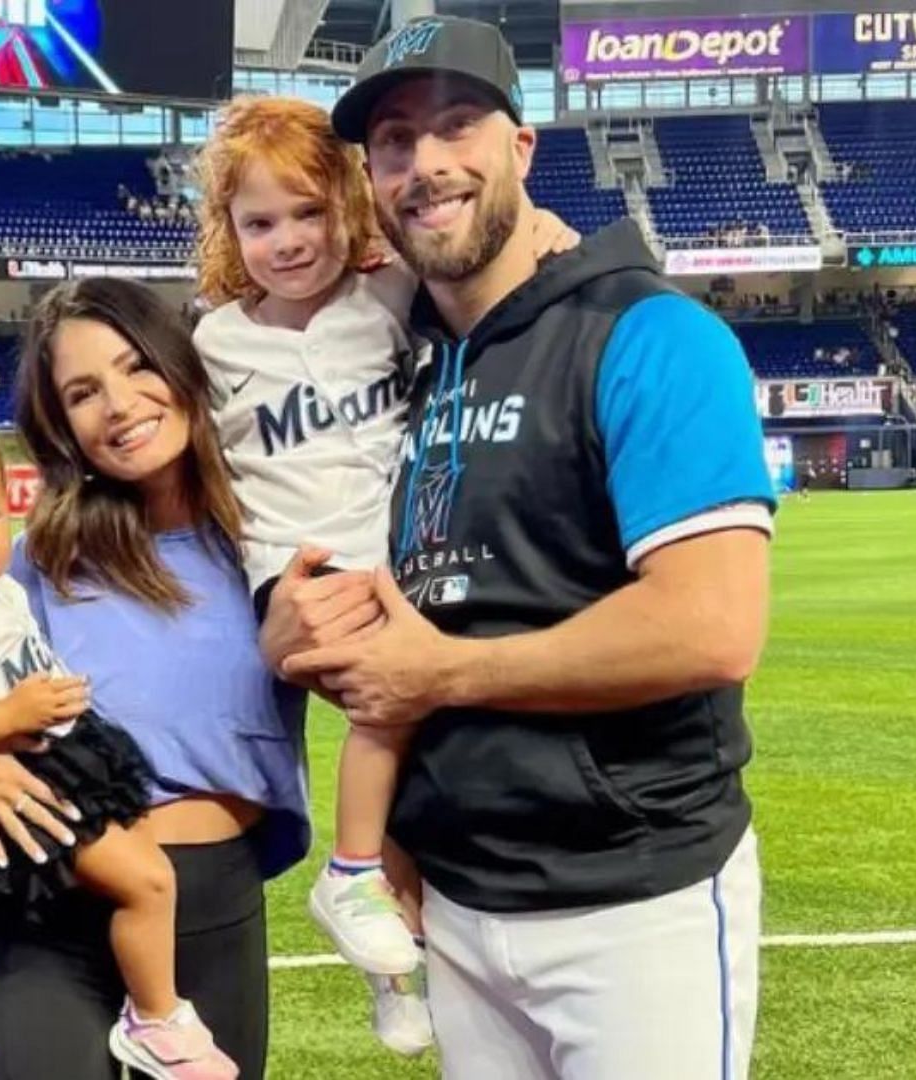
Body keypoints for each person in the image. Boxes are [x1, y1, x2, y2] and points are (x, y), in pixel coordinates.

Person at [266, 16, 773, 1078]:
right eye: (395, 142)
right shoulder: (403, 363)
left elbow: (711, 626)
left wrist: (441, 675)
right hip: (454, 898)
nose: (426, 165)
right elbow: (389, 603)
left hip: (636, 900)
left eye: (458, 125)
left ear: (521, 147)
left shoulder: (650, 335)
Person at [189, 94, 579, 1057]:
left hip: (393, 551)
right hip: (297, 565)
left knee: (418, 741)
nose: (287, 241)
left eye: (310, 213)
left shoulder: (388, 297)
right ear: (230, 234)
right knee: (389, 707)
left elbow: (491, 257)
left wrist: (552, 229)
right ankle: (352, 869)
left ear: (349, 207)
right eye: (260, 223)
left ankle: (394, 972)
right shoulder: (213, 341)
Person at [0, 278, 309, 1078]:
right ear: (62, 427)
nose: (118, 404)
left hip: (208, 906)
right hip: (48, 903)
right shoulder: (34, 566)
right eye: (83, 392)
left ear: (181, 365)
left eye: (135, 367)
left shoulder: (272, 545)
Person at [0, 405, 237, 1079]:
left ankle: (155, 1015)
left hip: (60, 758)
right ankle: (157, 1020)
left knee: (146, 877)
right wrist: (9, 716)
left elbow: (10, 659)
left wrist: (50, 698)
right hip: (30, 783)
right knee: (149, 882)